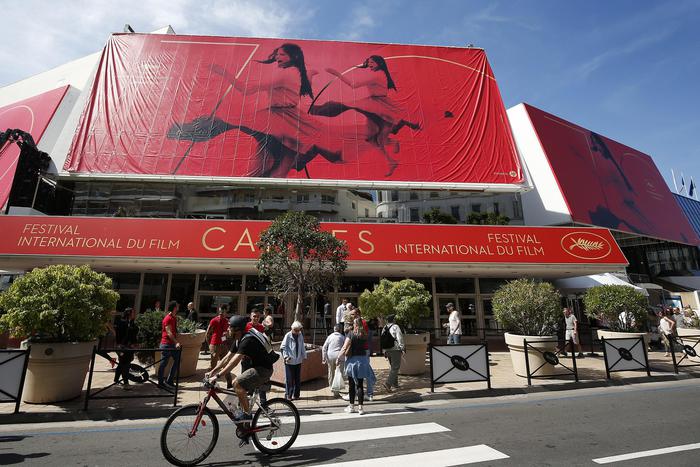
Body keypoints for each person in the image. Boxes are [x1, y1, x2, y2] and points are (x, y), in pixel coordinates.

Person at [204, 43, 342, 178]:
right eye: (277, 54)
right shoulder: (299, 74)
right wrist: (311, 75)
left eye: (282, 55)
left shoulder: (284, 74)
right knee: (278, 169)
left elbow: (245, 89)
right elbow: (302, 96)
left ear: (293, 57)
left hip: (279, 119)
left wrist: (223, 73)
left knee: (262, 166)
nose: (277, 57)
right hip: (292, 122)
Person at [313, 55, 420, 176]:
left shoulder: (376, 75)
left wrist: (337, 74)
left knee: (379, 134)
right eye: (368, 63)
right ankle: (392, 155)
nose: (370, 64)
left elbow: (354, 85)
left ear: (379, 63)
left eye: (372, 62)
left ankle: (398, 138)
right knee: (372, 139)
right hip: (375, 105)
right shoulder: (381, 73)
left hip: (380, 107)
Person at [208, 316, 275, 425]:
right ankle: (246, 430)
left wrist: (217, 376)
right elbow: (226, 358)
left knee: (237, 383)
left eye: (230, 327)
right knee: (241, 397)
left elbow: (233, 362)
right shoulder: (238, 340)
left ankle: (247, 414)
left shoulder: (247, 340)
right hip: (256, 367)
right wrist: (213, 371)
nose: (228, 329)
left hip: (263, 369)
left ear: (237, 330)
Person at [339, 318, 370, 415]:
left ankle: (351, 406)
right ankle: (361, 408)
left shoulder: (351, 334)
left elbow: (344, 347)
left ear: (355, 324)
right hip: (362, 361)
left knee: (352, 385)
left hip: (352, 361)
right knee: (360, 385)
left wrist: (338, 357)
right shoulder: (364, 334)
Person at [206, 304, 232, 388]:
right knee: (213, 365)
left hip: (223, 345)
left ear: (225, 312)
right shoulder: (214, 320)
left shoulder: (227, 321)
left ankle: (229, 384)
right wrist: (210, 345)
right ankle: (209, 382)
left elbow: (228, 334)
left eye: (223, 311)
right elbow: (207, 333)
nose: (221, 313)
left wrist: (227, 336)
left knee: (226, 364)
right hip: (215, 344)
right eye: (220, 311)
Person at [281, 321, 307, 400]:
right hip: (290, 361)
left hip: (298, 360)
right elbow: (283, 347)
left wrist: (304, 356)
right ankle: (289, 395)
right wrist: (286, 356)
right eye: (295, 330)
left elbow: (302, 345)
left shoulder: (300, 335)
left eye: (298, 330)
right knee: (289, 379)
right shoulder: (288, 335)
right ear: (292, 328)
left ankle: (296, 395)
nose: (297, 332)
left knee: (297, 378)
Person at [158, 301, 181, 389]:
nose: (178, 307)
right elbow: (168, 332)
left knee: (177, 360)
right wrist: (176, 342)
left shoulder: (174, 318)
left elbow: (174, 332)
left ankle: (169, 380)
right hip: (166, 344)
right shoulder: (168, 318)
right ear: (174, 308)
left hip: (172, 344)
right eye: (177, 306)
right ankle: (160, 382)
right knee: (163, 363)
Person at [114, 307, 138, 389]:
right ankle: (126, 383)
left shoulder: (131, 323)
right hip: (123, 346)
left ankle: (116, 380)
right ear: (129, 314)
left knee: (122, 363)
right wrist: (119, 345)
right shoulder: (122, 322)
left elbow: (133, 335)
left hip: (128, 347)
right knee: (125, 364)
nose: (134, 314)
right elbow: (119, 335)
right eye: (133, 313)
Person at [381, 314, 404, 393]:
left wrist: (384, 351)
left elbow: (382, 339)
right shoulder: (396, 327)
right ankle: (388, 384)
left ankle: (395, 383)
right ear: (393, 319)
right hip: (395, 349)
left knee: (393, 366)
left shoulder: (384, 328)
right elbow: (399, 337)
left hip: (387, 349)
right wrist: (402, 347)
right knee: (395, 367)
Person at [322, 324, 347, 398]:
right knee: (338, 373)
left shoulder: (330, 337)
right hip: (339, 357)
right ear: (340, 330)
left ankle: (331, 387)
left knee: (331, 372)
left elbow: (324, 347)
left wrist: (324, 358)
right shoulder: (342, 337)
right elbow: (345, 347)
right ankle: (336, 391)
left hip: (330, 356)